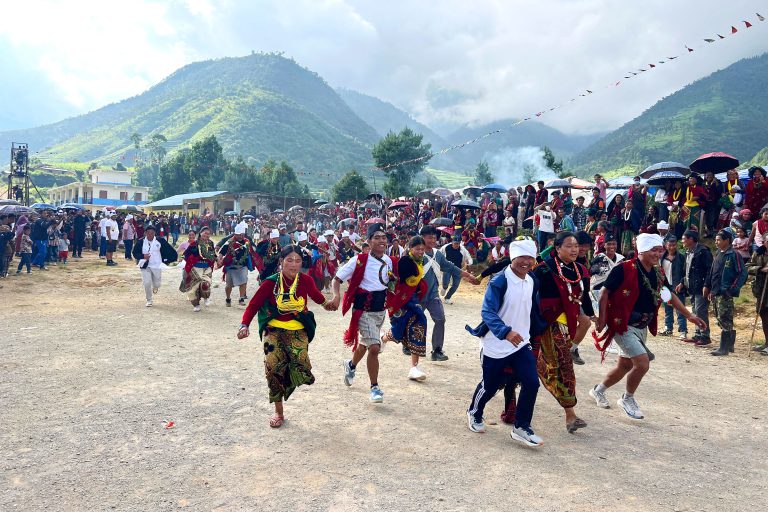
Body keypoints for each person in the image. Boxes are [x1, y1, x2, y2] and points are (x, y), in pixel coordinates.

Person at [591, 234, 706, 419]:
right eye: (654, 250)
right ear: (642, 251)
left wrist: (689, 316)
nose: (658, 254)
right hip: (623, 325)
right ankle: (627, 399)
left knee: (624, 365)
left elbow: (668, 295)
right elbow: (604, 292)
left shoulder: (658, 271)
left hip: (642, 326)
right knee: (642, 364)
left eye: (660, 250)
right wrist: (603, 319)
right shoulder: (624, 268)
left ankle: (599, 390)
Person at [237, 245, 335, 428]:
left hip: (298, 330)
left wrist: (332, 303)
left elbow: (318, 298)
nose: (294, 264)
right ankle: (278, 411)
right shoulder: (270, 283)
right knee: (273, 369)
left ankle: (285, 380)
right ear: (281, 261)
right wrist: (244, 325)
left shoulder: (305, 280)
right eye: (289, 260)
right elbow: (254, 305)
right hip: (273, 330)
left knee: (300, 364)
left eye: (298, 261)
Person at [465, 239, 544, 446]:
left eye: (530, 258)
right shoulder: (499, 281)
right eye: (522, 257)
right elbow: (487, 311)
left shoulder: (532, 280)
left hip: (521, 343)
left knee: (531, 383)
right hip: (496, 345)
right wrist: (505, 332)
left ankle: (521, 426)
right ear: (512, 257)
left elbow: (532, 310)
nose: (526, 262)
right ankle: (474, 412)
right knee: (490, 386)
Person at [533, 231, 593, 433]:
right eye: (569, 246)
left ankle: (537, 367)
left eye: (576, 246)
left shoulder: (581, 270)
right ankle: (570, 414)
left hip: (570, 325)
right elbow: (528, 293)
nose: (574, 249)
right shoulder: (544, 269)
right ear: (557, 248)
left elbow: (585, 297)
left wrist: (593, 316)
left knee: (557, 366)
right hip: (548, 324)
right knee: (565, 365)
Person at [330, 223, 393, 403]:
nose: (381, 241)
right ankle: (375, 388)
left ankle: (351, 365)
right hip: (363, 310)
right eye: (376, 237)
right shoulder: (358, 260)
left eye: (384, 237)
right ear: (369, 241)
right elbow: (337, 279)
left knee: (365, 344)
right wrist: (336, 296)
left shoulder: (389, 261)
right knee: (375, 347)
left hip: (380, 312)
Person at [418, 225, 480, 360]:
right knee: (413, 321)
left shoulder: (437, 254)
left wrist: (468, 275)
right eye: (429, 238)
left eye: (434, 238)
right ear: (422, 238)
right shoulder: (416, 253)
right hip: (417, 296)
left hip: (433, 295)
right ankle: (407, 344)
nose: (433, 240)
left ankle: (437, 350)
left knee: (440, 319)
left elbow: (450, 267)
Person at [383, 236, 430, 381]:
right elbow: (401, 278)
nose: (421, 251)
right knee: (399, 331)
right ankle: (383, 338)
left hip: (413, 300)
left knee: (419, 325)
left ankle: (414, 367)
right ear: (410, 248)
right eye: (417, 249)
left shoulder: (421, 261)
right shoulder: (405, 261)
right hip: (400, 300)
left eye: (422, 249)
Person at [706, 230, 747, 356]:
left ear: (727, 240)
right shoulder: (718, 253)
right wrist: (710, 288)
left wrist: (732, 288)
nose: (716, 242)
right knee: (720, 317)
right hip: (716, 291)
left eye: (718, 240)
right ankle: (729, 345)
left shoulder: (734, 254)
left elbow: (742, 273)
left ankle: (724, 348)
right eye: (716, 240)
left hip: (725, 292)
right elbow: (713, 272)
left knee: (725, 318)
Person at [679, 230, 713, 346]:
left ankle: (705, 336)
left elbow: (709, 270)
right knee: (694, 311)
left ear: (691, 239)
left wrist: (706, 285)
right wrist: (682, 282)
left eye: (684, 239)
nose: (682, 241)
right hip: (691, 286)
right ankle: (698, 334)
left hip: (701, 287)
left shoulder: (703, 252)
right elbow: (686, 270)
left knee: (700, 311)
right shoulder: (687, 252)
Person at [218, 222, 257, 307]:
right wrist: (219, 259)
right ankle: (228, 298)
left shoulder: (247, 242)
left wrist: (254, 250)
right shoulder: (229, 242)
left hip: (243, 266)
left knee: (244, 282)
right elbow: (221, 252)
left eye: (242, 235)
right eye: (239, 235)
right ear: (235, 234)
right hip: (231, 266)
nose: (241, 236)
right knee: (229, 285)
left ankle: (241, 298)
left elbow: (254, 249)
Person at [181, 226, 216, 312]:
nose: (206, 235)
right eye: (205, 233)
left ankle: (206, 297)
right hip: (195, 268)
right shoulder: (194, 243)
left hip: (207, 268)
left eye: (208, 234)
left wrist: (217, 259)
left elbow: (213, 254)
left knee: (205, 284)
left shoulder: (210, 243)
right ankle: (196, 304)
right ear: (200, 233)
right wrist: (192, 260)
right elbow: (186, 254)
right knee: (193, 288)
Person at [659, 237, 687, 340]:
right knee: (668, 308)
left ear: (677, 245)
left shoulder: (681, 257)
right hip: (666, 286)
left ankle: (683, 330)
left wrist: (682, 283)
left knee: (680, 309)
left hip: (678, 286)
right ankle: (668, 328)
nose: (672, 247)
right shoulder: (662, 257)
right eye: (669, 245)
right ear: (666, 246)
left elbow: (685, 272)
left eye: (674, 245)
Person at [747, 237, 768, 355]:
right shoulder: (758, 253)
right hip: (762, 289)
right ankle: (767, 343)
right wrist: (760, 269)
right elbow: (748, 267)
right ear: (764, 242)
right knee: (763, 314)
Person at [439, 234, 472, 304]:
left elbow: (469, 257)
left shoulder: (463, 249)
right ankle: (444, 288)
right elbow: (438, 254)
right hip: (447, 267)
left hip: (458, 269)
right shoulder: (445, 247)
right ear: (452, 242)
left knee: (455, 285)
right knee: (445, 283)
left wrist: (469, 263)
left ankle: (447, 298)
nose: (457, 245)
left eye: (458, 243)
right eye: (455, 243)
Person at [138, 225, 165, 307]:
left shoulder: (160, 240)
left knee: (157, 284)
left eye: (152, 233)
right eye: (148, 233)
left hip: (157, 265)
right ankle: (149, 300)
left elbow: (167, 250)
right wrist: (143, 256)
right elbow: (135, 252)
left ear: (155, 233)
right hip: (145, 265)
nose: (150, 235)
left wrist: (167, 260)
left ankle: (155, 287)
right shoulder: (141, 241)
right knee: (147, 282)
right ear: (145, 233)